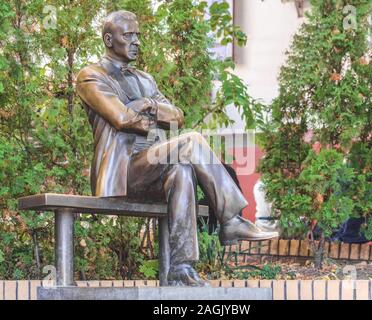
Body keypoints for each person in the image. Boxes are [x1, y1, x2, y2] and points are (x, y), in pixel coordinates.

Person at [76, 10, 276, 286]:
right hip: (123, 171)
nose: (136, 42)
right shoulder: (91, 76)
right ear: (109, 40)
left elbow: (177, 116)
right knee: (191, 142)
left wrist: (150, 106)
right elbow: (122, 119)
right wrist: (144, 114)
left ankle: (180, 267)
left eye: (138, 36)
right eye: (128, 35)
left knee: (181, 171)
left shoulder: (146, 80)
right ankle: (230, 219)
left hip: (154, 166)